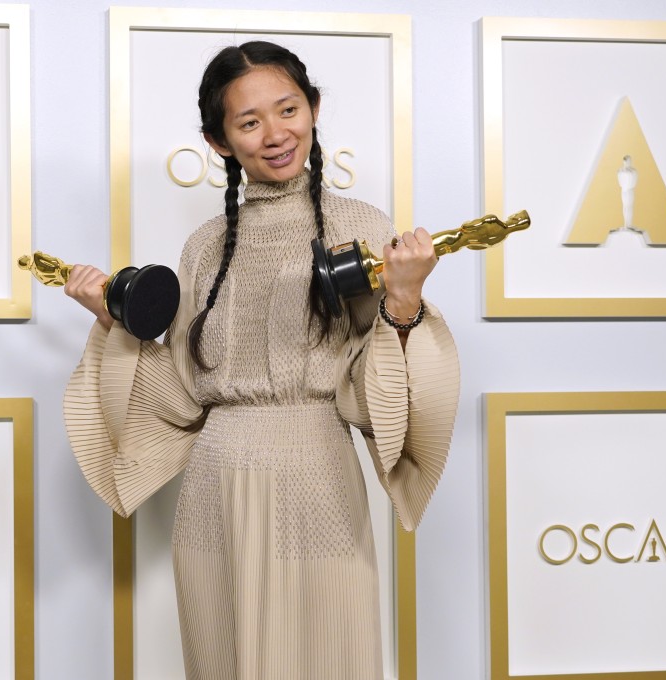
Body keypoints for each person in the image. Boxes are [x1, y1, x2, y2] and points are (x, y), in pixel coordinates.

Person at [63, 41, 460, 679]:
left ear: (314, 108)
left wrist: (406, 296)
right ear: (219, 141)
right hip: (217, 490)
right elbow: (183, 390)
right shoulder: (202, 247)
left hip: (318, 476)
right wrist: (113, 319)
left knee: (330, 648)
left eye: (289, 110)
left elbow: (374, 377)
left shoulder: (360, 226)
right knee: (225, 654)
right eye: (249, 123)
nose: (275, 135)